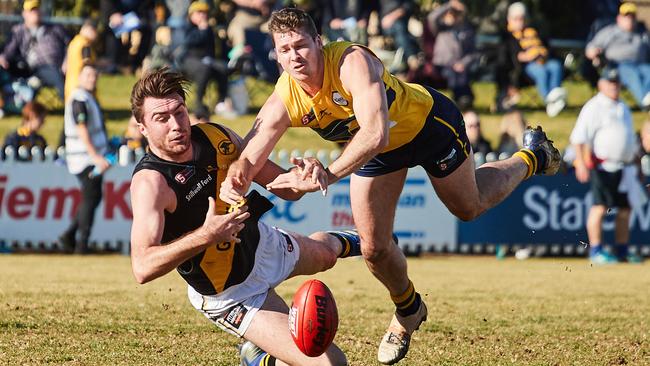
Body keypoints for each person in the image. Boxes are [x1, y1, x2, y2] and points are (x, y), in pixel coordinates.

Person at [219, 8, 562, 365]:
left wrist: (329, 174)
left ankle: (532, 157)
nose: (294, 56)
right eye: (284, 49)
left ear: (318, 42)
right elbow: (249, 155)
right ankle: (408, 309)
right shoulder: (286, 95)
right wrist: (236, 181)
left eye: (301, 45)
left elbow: (375, 133)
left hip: (428, 126)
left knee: (468, 207)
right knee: (374, 250)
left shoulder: (351, 62)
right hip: (378, 154)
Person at [129, 67, 365, 366]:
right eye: (161, 119)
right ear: (143, 128)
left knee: (327, 255)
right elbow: (142, 267)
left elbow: (285, 188)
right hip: (229, 294)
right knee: (331, 363)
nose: (176, 125)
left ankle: (365, 241)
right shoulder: (151, 184)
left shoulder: (217, 137)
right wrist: (207, 235)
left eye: (179, 112)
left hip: (261, 245)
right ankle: (259, 360)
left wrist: (304, 174)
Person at [570, 66, 642, 264]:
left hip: (625, 166)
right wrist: (581, 163)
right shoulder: (595, 106)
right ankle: (596, 250)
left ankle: (622, 250)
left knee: (625, 210)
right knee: (600, 207)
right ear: (601, 84)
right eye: (610, 82)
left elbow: (629, 139)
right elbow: (579, 137)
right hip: (602, 165)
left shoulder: (623, 106)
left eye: (617, 83)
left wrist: (637, 165)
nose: (614, 86)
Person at [59, 64, 110, 254]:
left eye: (95, 75)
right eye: (88, 74)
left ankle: (69, 236)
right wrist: (95, 156)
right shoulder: (79, 98)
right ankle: (81, 244)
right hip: (85, 158)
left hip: (88, 157)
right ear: (79, 77)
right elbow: (82, 129)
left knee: (93, 198)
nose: (92, 78)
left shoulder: (87, 97)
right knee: (90, 198)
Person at [498, 2, 567, 117]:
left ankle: (555, 97)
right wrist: (530, 56)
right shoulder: (507, 36)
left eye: (522, 18)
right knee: (541, 71)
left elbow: (547, 47)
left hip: (543, 61)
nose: (520, 21)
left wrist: (542, 53)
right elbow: (512, 57)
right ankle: (549, 101)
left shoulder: (534, 31)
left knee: (555, 66)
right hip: (523, 69)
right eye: (516, 18)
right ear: (509, 19)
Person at [586, 2, 650, 110]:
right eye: (627, 16)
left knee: (648, 71)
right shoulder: (610, 32)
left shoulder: (642, 33)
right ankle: (645, 101)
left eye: (632, 16)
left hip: (640, 64)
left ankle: (648, 97)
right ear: (619, 18)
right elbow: (590, 48)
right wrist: (593, 52)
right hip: (617, 66)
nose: (630, 19)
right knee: (630, 73)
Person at [0, 0, 69, 101]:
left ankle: (71, 106)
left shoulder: (55, 29)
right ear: (24, 14)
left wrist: (67, 60)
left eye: (37, 10)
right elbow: (9, 50)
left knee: (57, 76)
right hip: (26, 68)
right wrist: (3, 57)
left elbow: (71, 45)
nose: (35, 13)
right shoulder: (18, 30)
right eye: (32, 11)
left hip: (50, 67)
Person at [179, 1, 235, 118]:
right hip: (189, 60)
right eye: (199, 12)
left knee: (223, 67)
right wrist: (202, 30)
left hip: (207, 61)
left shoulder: (210, 29)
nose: (203, 15)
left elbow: (216, 47)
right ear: (191, 15)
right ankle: (198, 103)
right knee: (204, 69)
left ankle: (221, 102)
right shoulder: (185, 27)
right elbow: (188, 43)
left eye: (205, 13)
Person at [427, 0, 479, 109]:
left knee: (461, 73)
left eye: (456, 15)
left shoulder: (467, 30)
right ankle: (462, 98)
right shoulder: (441, 28)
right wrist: (449, 5)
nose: (452, 17)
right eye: (450, 14)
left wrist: (463, 63)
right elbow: (432, 17)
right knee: (453, 73)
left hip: (461, 65)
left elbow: (473, 53)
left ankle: (464, 99)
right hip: (443, 64)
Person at [65, 20, 98, 101]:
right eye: (95, 31)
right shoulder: (85, 43)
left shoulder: (75, 41)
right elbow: (87, 62)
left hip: (70, 82)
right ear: (89, 29)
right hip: (82, 84)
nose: (96, 35)